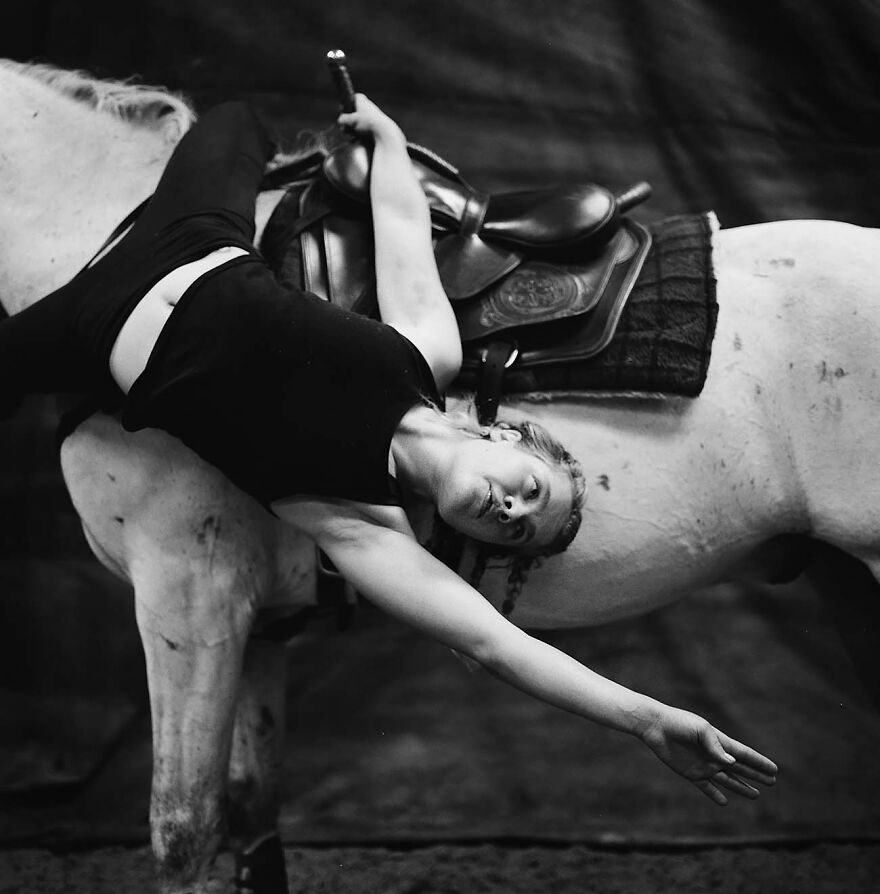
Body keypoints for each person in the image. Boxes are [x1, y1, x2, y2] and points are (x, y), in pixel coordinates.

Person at [0, 92, 777, 805]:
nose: (508, 509)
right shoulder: (425, 354)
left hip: (96, 327)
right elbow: (402, 229)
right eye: (528, 491)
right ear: (505, 434)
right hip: (196, 238)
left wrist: (646, 718)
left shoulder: (354, 520)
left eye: (509, 530)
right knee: (236, 120)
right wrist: (391, 140)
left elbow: (493, 642)